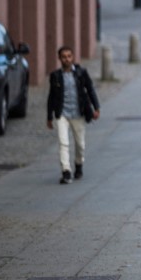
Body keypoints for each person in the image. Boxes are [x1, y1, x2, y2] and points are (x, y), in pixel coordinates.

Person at [46, 46, 100, 184]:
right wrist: (49, 116)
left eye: (69, 56)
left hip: (78, 113)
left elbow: (90, 89)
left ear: (73, 57)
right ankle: (66, 171)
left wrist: (96, 107)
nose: (67, 59)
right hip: (62, 113)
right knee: (63, 143)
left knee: (80, 144)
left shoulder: (81, 73)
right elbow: (51, 96)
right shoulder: (55, 76)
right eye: (64, 57)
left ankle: (78, 164)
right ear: (59, 59)